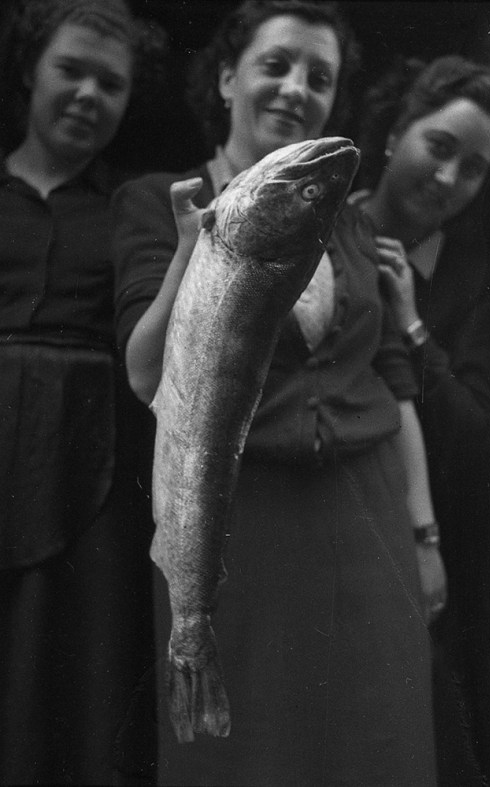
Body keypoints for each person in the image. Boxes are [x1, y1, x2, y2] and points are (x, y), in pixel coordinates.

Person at [111, 2, 446, 784]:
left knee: (376, 743)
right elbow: (144, 373)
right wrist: (190, 252)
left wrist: (426, 535)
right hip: (231, 521)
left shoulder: (353, 227)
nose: (297, 88)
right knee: (244, 753)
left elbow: (394, 386)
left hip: (367, 516)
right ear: (228, 78)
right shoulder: (161, 200)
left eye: (320, 77)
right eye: (276, 64)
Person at [0, 1, 162, 783]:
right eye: (70, 70)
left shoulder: (132, 208)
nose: (89, 94)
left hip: (89, 464)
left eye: (111, 82)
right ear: (31, 71)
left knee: (74, 674)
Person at [349, 55, 490, 787]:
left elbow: (477, 438)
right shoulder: (323, 221)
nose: (447, 178)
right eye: (438, 147)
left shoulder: (475, 279)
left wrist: (411, 324)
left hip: (429, 555)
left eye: (472, 169)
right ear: (394, 132)